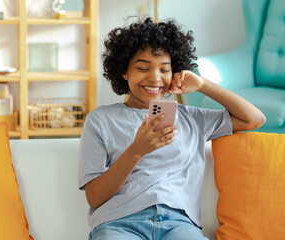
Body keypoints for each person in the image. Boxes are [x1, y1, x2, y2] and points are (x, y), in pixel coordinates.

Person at [78, 17, 265, 240]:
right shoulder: (100, 120)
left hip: (179, 225)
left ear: (175, 72)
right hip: (119, 223)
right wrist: (136, 150)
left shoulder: (192, 118)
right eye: (142, 68)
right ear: (124, 71)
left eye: (164, 69)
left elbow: (254, 119)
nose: (155, 78)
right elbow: (95, 197)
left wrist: (203, 85)